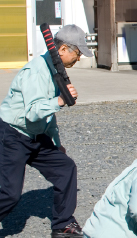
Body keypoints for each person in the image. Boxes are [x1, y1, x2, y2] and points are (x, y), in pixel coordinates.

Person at [0, 24, 92, 237]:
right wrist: (59, 100)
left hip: (36, 135)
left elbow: (47, 117)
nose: (78, 59)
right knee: (10, 194)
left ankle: (62, 225)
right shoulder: (37, 71)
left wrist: (57, 144)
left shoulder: (55, 71)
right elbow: (33, 112)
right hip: (13, 134)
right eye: (77, 53)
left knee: (65, 168)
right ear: (62, 50)